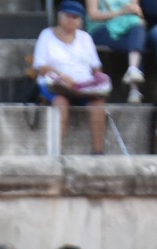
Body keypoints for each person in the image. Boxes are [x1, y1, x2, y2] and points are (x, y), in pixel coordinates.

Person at [34, 0, 109, 156]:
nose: (71, 20)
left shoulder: (85, 38)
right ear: (59, 17)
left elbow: (96, 67)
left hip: (82, 86)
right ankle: (57, 152)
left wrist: (98, 81)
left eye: (75, 17)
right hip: (56, 85)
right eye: (68, 16)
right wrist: (61, 76)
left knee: (98, 104)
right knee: (61, 102)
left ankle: (97, 152)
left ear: (80, 20)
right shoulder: (46, 35)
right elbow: (40, 67)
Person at [86, 0, 146, 102]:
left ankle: (133, 70)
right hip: (101, 28)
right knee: (137, 46)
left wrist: (138, 12)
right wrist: (120, 12)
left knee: (138, 31)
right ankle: (134, 89)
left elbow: (139, 17)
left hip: (124, 26)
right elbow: (93, 15)